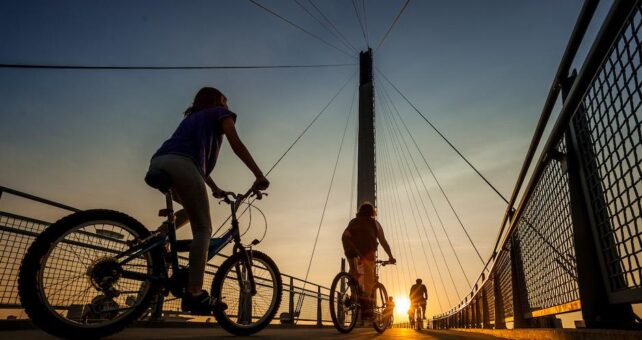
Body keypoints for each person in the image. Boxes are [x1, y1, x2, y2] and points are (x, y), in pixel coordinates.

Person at [147, 87, 269, 314]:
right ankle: (194, 293)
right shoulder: (220, 112)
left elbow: (193, 159)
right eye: (226, 100)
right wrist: (259, 174)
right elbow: (236, 143)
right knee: (203, 229)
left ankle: (160, 236)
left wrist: (214, 189)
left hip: (160, 161)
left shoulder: (193, 117)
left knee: (189, 210)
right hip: (183, 165)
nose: (227, 103)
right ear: (219, 100)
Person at [341, 202, 396, 318]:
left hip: (348, 243)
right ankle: (365, 306)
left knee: (353, 270)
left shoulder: (353, 221)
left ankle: (353, 294)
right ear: (372, 213)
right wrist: (390, 257)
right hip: (367, 249)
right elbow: (383, 242)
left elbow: (347, 234)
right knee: (369, 276)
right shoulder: (375, 224)